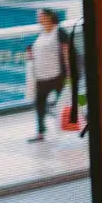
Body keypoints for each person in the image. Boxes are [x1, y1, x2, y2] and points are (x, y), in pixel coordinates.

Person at [26, 9, 69, 143]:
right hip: (42, 77)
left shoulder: (59, 32)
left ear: (49, 17)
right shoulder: (42, 33)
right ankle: (41, 132)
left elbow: (66, 52)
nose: (39, 19)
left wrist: (69, 72)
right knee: (39, 103)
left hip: (58, 76)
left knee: (67, 102)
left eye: (41, 16)